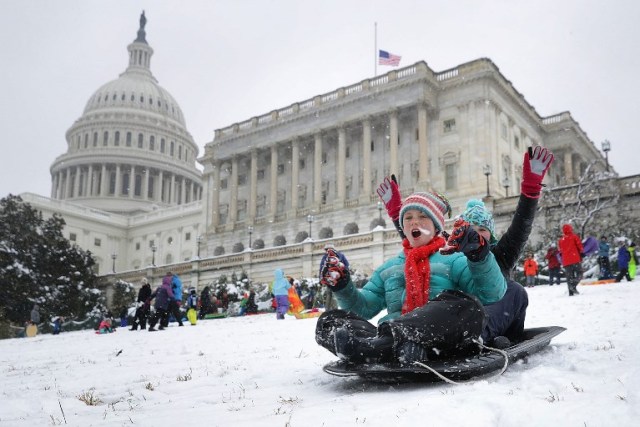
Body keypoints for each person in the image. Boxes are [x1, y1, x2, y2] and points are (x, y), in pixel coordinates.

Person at [375, 146, 554, 347]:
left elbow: (521, 228)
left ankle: (486, 338)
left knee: (515, 291)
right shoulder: (453, 252)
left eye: (482, 228)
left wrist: (530, 190)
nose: (477, 233)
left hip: (493, 321)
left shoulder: (501, 253)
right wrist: (397, 212)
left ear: (491, 234)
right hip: (462, 321)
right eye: (472, 228)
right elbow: (419, 239)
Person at [316, 190, 507, 364]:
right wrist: (342, 286)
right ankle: (393, 346)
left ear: (435, 226)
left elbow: (492, 293)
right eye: (408, 218)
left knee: (468, 306)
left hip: (443, 342)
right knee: (329, 321)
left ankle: (372, 349)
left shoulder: (454, 260)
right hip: (391, 336)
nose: (414, 222)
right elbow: (363, 308)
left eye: (423, 216)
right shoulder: (390, 268)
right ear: (403, 227)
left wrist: (479, 256)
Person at [318, 243, 349, 310]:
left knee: (329, 293)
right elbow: (346, 265)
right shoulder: (340, 255)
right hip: (339, 278)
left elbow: (322, 268)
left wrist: (320, 279)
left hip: (329, 278)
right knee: (335, 293)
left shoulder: (326, 257)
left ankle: (329, 309)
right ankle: (334, 309)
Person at [558, 224, 584, 296]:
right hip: (575, 259)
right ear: (570, 229)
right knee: (580, 273)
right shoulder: (574, 237)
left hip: (566, 261)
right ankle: (573, 285)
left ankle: (571, 293)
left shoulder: (561, 240)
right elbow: (579, 246)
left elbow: (560, 251)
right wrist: (582, 252)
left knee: (569, 277)